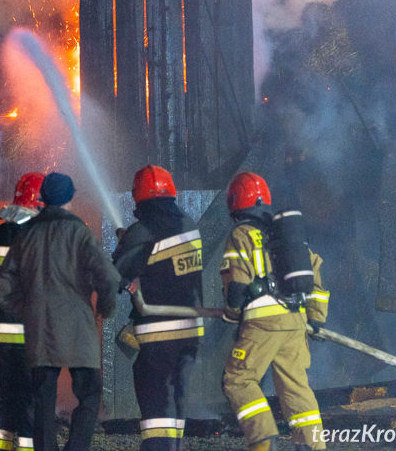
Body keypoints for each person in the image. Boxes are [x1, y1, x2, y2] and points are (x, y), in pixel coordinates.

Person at [0, 172, 121, 451]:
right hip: (79, 332)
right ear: (70, 198)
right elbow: (109, 278)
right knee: (89, 395)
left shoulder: (26, 235)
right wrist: (105, 307)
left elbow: (2, 287)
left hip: (40, 333)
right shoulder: (79, 232)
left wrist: (26, 310)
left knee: (42, 401)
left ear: (43, 199)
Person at [219, 172, 330, 451]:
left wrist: (232, 314)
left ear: (235, 202)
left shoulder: (240, 235)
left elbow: (237, 285)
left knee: (238, 380)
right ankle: (313, 446)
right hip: (295, 320)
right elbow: (315, 273)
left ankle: (263, 440)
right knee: (296, 388)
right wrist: (316, 317)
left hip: (261, 322)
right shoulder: (287, 234)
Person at [112, 165, 203, 451]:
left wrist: (125, 244)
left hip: (159, 333)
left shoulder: (142, 230)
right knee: (176, 398)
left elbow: (116, 274)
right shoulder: (189, 224)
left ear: (138, 196)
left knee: (155, 404)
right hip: (190, 331)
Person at [0, 172, 45, 451]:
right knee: (30, 394)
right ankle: (28, 446)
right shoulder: (39, 240)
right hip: (31, 332)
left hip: (2, 332)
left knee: (5, 390)